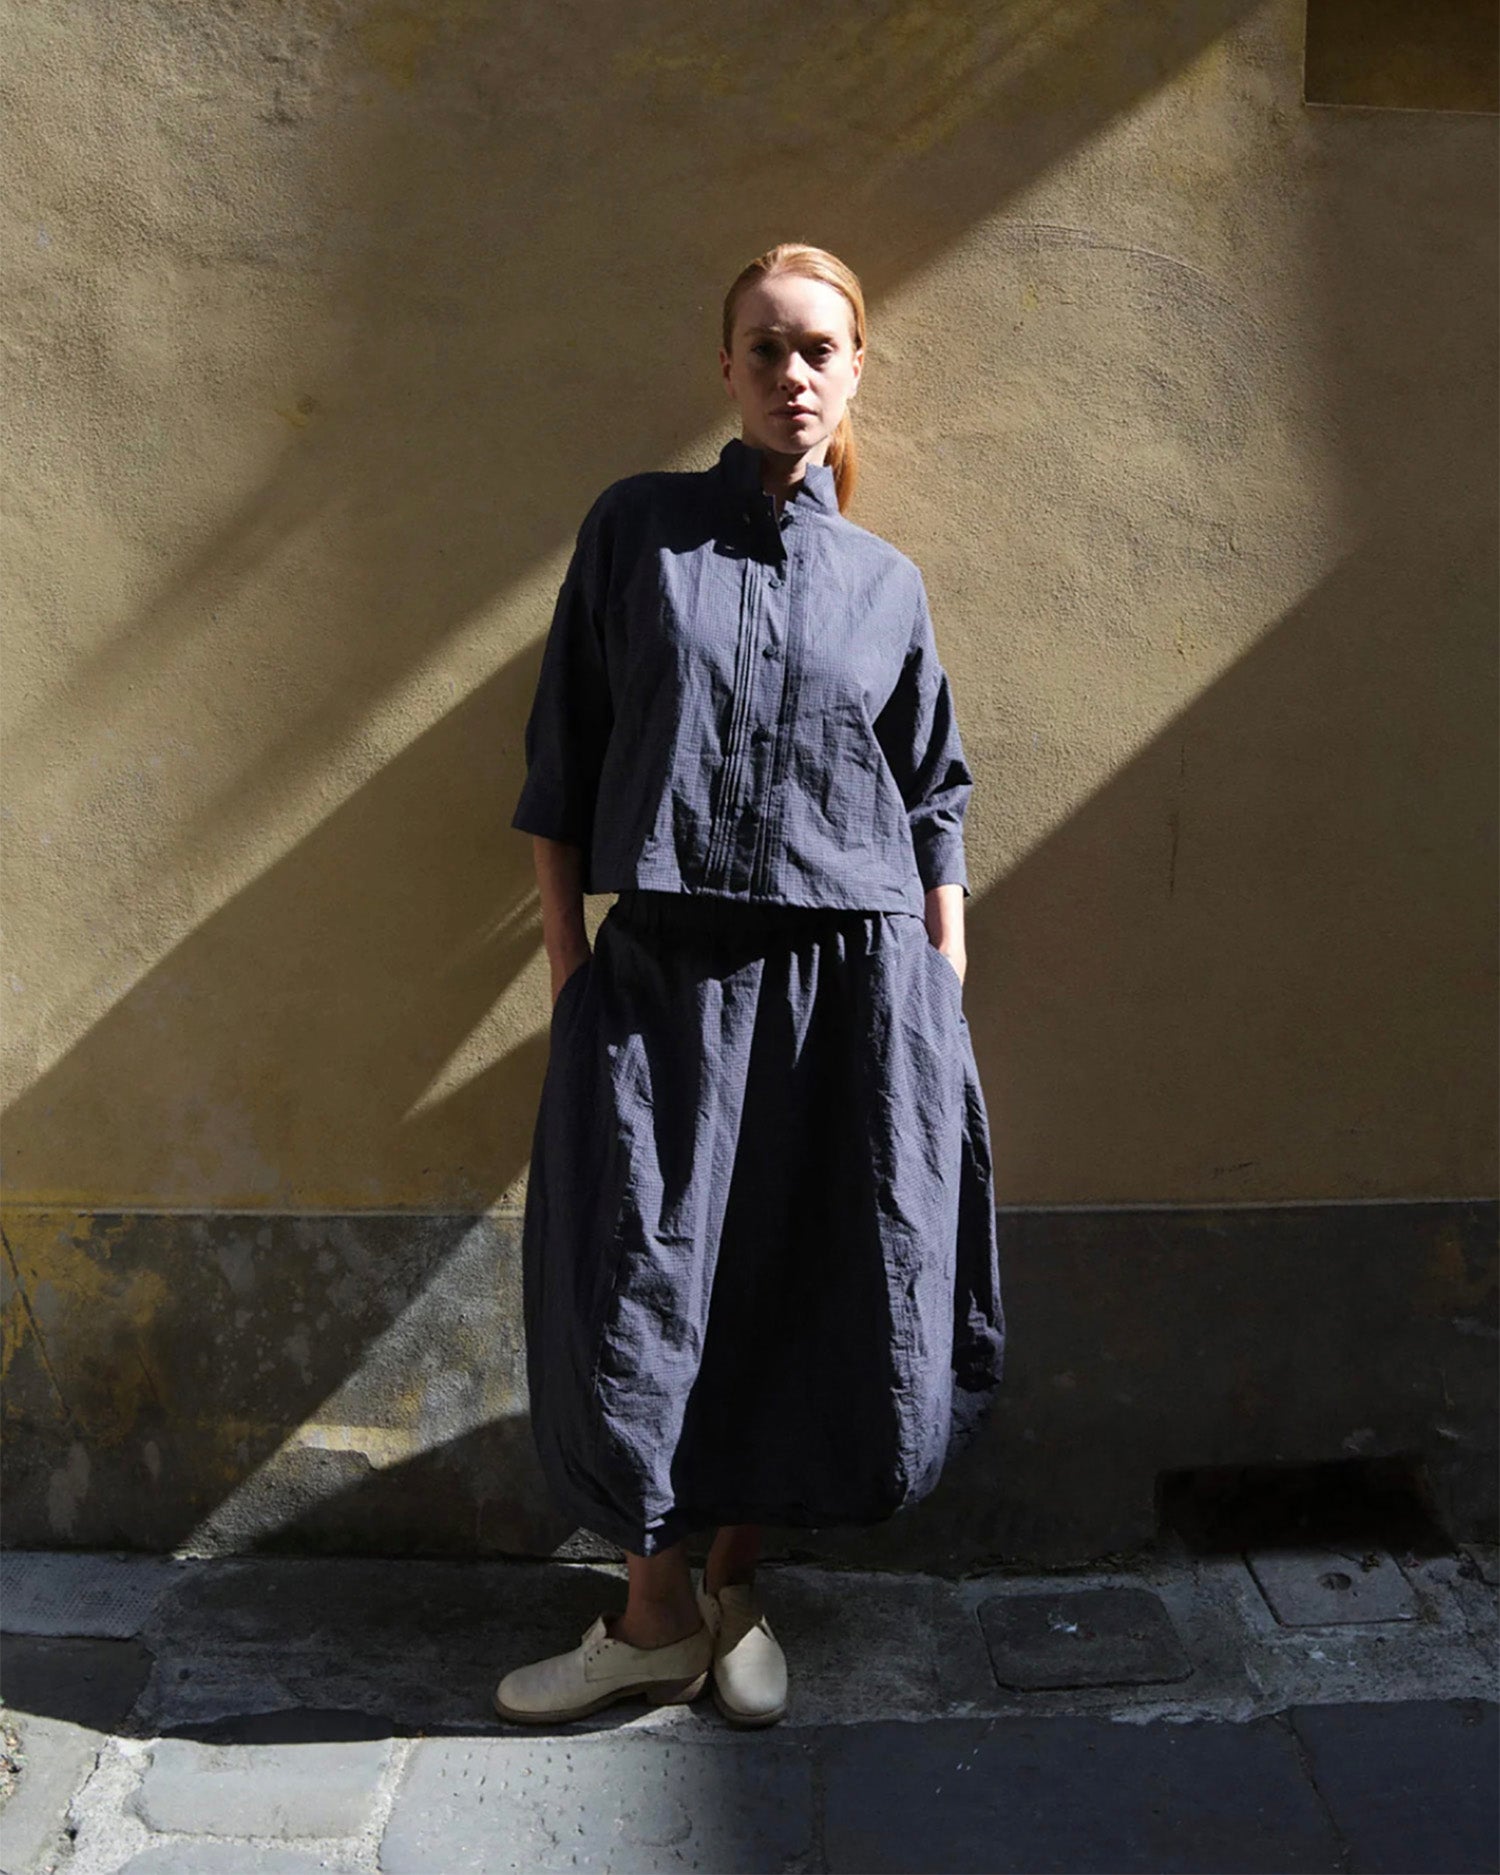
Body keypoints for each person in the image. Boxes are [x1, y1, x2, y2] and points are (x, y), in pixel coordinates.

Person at [493, 242, 1005, 1729]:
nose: (793, 374)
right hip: (665, 979)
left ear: (854, 372)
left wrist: (942, 971)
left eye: (819, 349)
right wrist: (571, 968)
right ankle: (648, 1612)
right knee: (642, 1276)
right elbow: (564, 758)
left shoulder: (885, 583)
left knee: (798, 1275)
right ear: (725, 366)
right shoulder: (637, 532)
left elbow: (934, 790)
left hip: (850, 993)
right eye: (767, 347)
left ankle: (732, 1590)